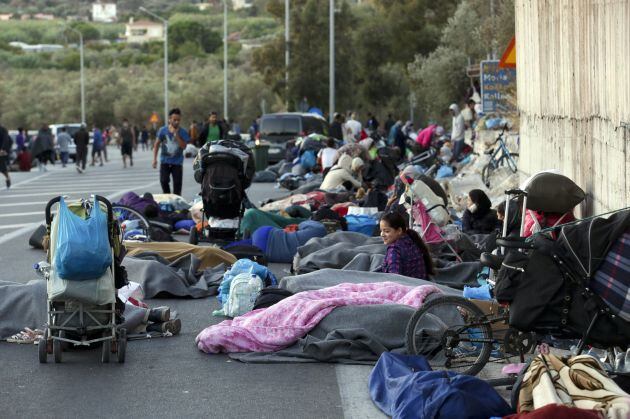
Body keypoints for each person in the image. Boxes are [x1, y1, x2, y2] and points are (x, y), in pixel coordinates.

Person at [378, 211, 435, 279]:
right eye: (381, 231)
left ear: (399, 230)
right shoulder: (412, 240)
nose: (382, 234)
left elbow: (394, 278)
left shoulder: (394, 249)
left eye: (387, 231)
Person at [153, 108, 190, 196]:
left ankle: (177, 203)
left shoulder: (183, 132)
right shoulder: (163, 130)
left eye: (178, 120)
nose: (176, 122)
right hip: (165, 161)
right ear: (170, 119)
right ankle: (168, 197)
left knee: (177, 185)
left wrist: (176, 135)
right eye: (174, 120)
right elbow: (157, 144)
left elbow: (184, 146)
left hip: (177, 163)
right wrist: (154, 159)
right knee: (164, 181)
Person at [0, 124, 12, 188]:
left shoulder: (3, 129)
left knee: (2, 168)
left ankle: (8, 178)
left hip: (1, 151)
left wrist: (3, 149)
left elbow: (6, 140)